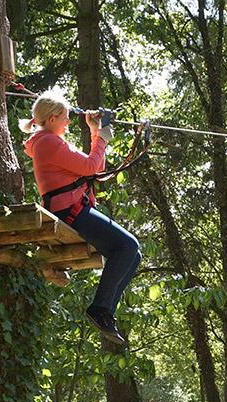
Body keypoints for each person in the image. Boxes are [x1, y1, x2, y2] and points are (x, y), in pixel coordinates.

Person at [21, 90, 141, 345]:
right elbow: (90, 167)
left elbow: (95, 167)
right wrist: (101, 138)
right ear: (52, 119)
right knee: (128, 246)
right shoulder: (48, 142)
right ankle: (100, 309)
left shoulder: (49, 141)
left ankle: (105, 311)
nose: (67, 122)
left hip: (74, 208)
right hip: (69, 210)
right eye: (65, 117)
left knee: (133, 254)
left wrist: (97, 133)